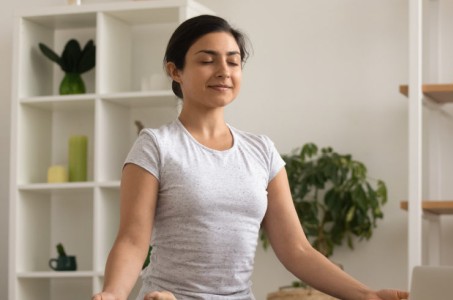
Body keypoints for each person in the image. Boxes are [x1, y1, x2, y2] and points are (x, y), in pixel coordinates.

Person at [92, 15, 409, 300]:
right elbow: (133, 240)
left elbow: (296, 249)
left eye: (233, 62)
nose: (223, 71)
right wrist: (113, 294)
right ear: (175, 71)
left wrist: (366, 295)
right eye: (207, 61)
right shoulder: (156, 146)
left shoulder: (262, 151)